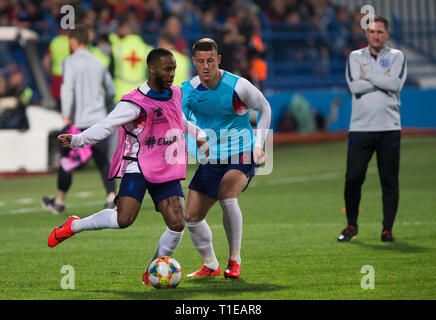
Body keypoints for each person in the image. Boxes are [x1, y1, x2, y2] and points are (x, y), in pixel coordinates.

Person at [47, 48, 208, 286]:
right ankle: (76, 224)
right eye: (168, 69)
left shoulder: (175, 93)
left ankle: (152, 271)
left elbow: (178, 120)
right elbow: (105, 126)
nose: (173, 73)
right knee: (124, 219)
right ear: (152, 69)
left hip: (165, 167)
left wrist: (199, 133)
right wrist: (77, 140)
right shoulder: (134, 102)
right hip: (138, 165)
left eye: (174, 68)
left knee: (176, 223)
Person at [181, 38, 271, 279]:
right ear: (194, 62)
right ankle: (211, 265)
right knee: (191, 217)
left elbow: (265, 107)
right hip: (211, 159)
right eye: (200, 61)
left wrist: (259, 145)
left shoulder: (237, 85)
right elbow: (181, 122)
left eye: (210, 60)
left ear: (218, 59)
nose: (206, 66)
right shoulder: (187, 91)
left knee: (226, 193)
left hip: (241, 151)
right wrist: (193, 147)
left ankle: (235, 259)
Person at [338, 15, 407, 243]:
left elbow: (395, 84)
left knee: (389, 181)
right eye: (371, 32)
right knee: (353, 178)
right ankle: (351, 225)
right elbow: (353, 85)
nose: (376, 36)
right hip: (360, 128)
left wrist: (367, 75)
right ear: (366, 34)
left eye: (380, 32)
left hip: (389, 127)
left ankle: (387, 230)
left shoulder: (397, 56)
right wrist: (382, 78)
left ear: (387, 34)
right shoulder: (355, 56)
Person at [42, 25, 117, 215]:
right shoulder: (98, 62)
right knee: (102, 161)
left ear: (74, 42)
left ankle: (59, 201)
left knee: (67, 161)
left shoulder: (69, 62)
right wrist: (106, 106)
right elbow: (111, 90)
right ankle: (111, 197)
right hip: (99, 119)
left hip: (78, 121)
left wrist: (66, 116)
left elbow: (67, 90)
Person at [109, 12, 153, 102]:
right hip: (141, 96)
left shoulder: (117, 47)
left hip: (120, 94)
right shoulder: (148, 49)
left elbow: (110, 71)